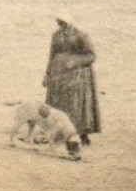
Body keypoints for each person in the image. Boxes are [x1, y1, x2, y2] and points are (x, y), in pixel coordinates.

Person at [43, 13, 100, 145]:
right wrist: (47, 74)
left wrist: (75, 61)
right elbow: (51, 55)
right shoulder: (56, 35)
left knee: (77, 106)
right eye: (58, 22)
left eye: (63, 22)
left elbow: (91, 56)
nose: (60, 25)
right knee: (57, 105)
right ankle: (57, 134)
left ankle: (82, 134)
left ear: (69, 22)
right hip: (58, 76)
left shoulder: (81, 34)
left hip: (77, 77)